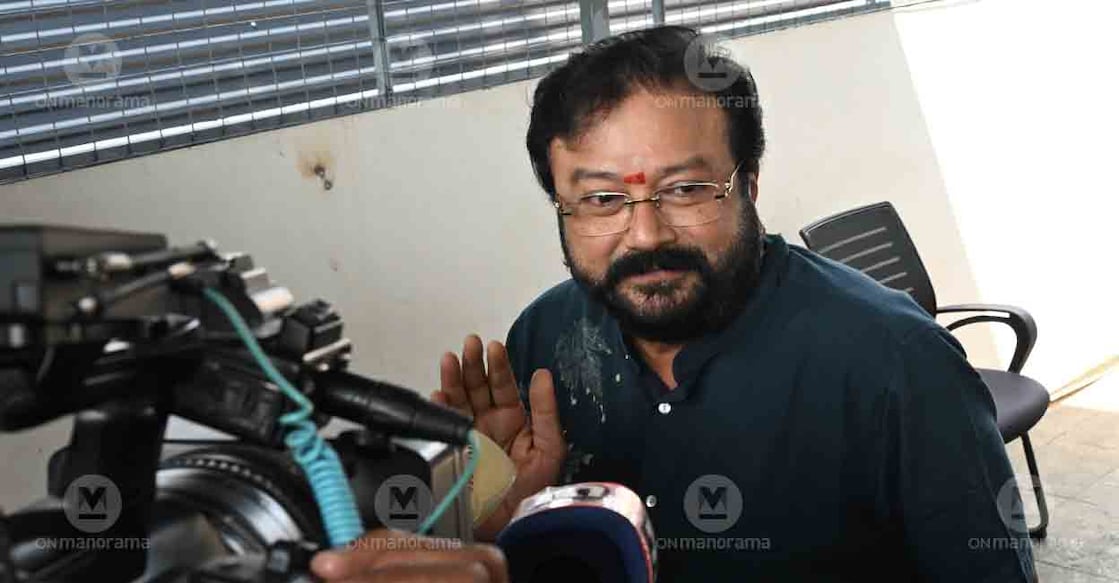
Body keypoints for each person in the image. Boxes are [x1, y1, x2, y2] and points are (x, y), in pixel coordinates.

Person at [317, 25, 1038, 582]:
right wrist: (504, 522)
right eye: (601, 199)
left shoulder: (895, 364)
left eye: (686, 189)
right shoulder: (544, 336)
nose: (644, 233)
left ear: (748, 183)